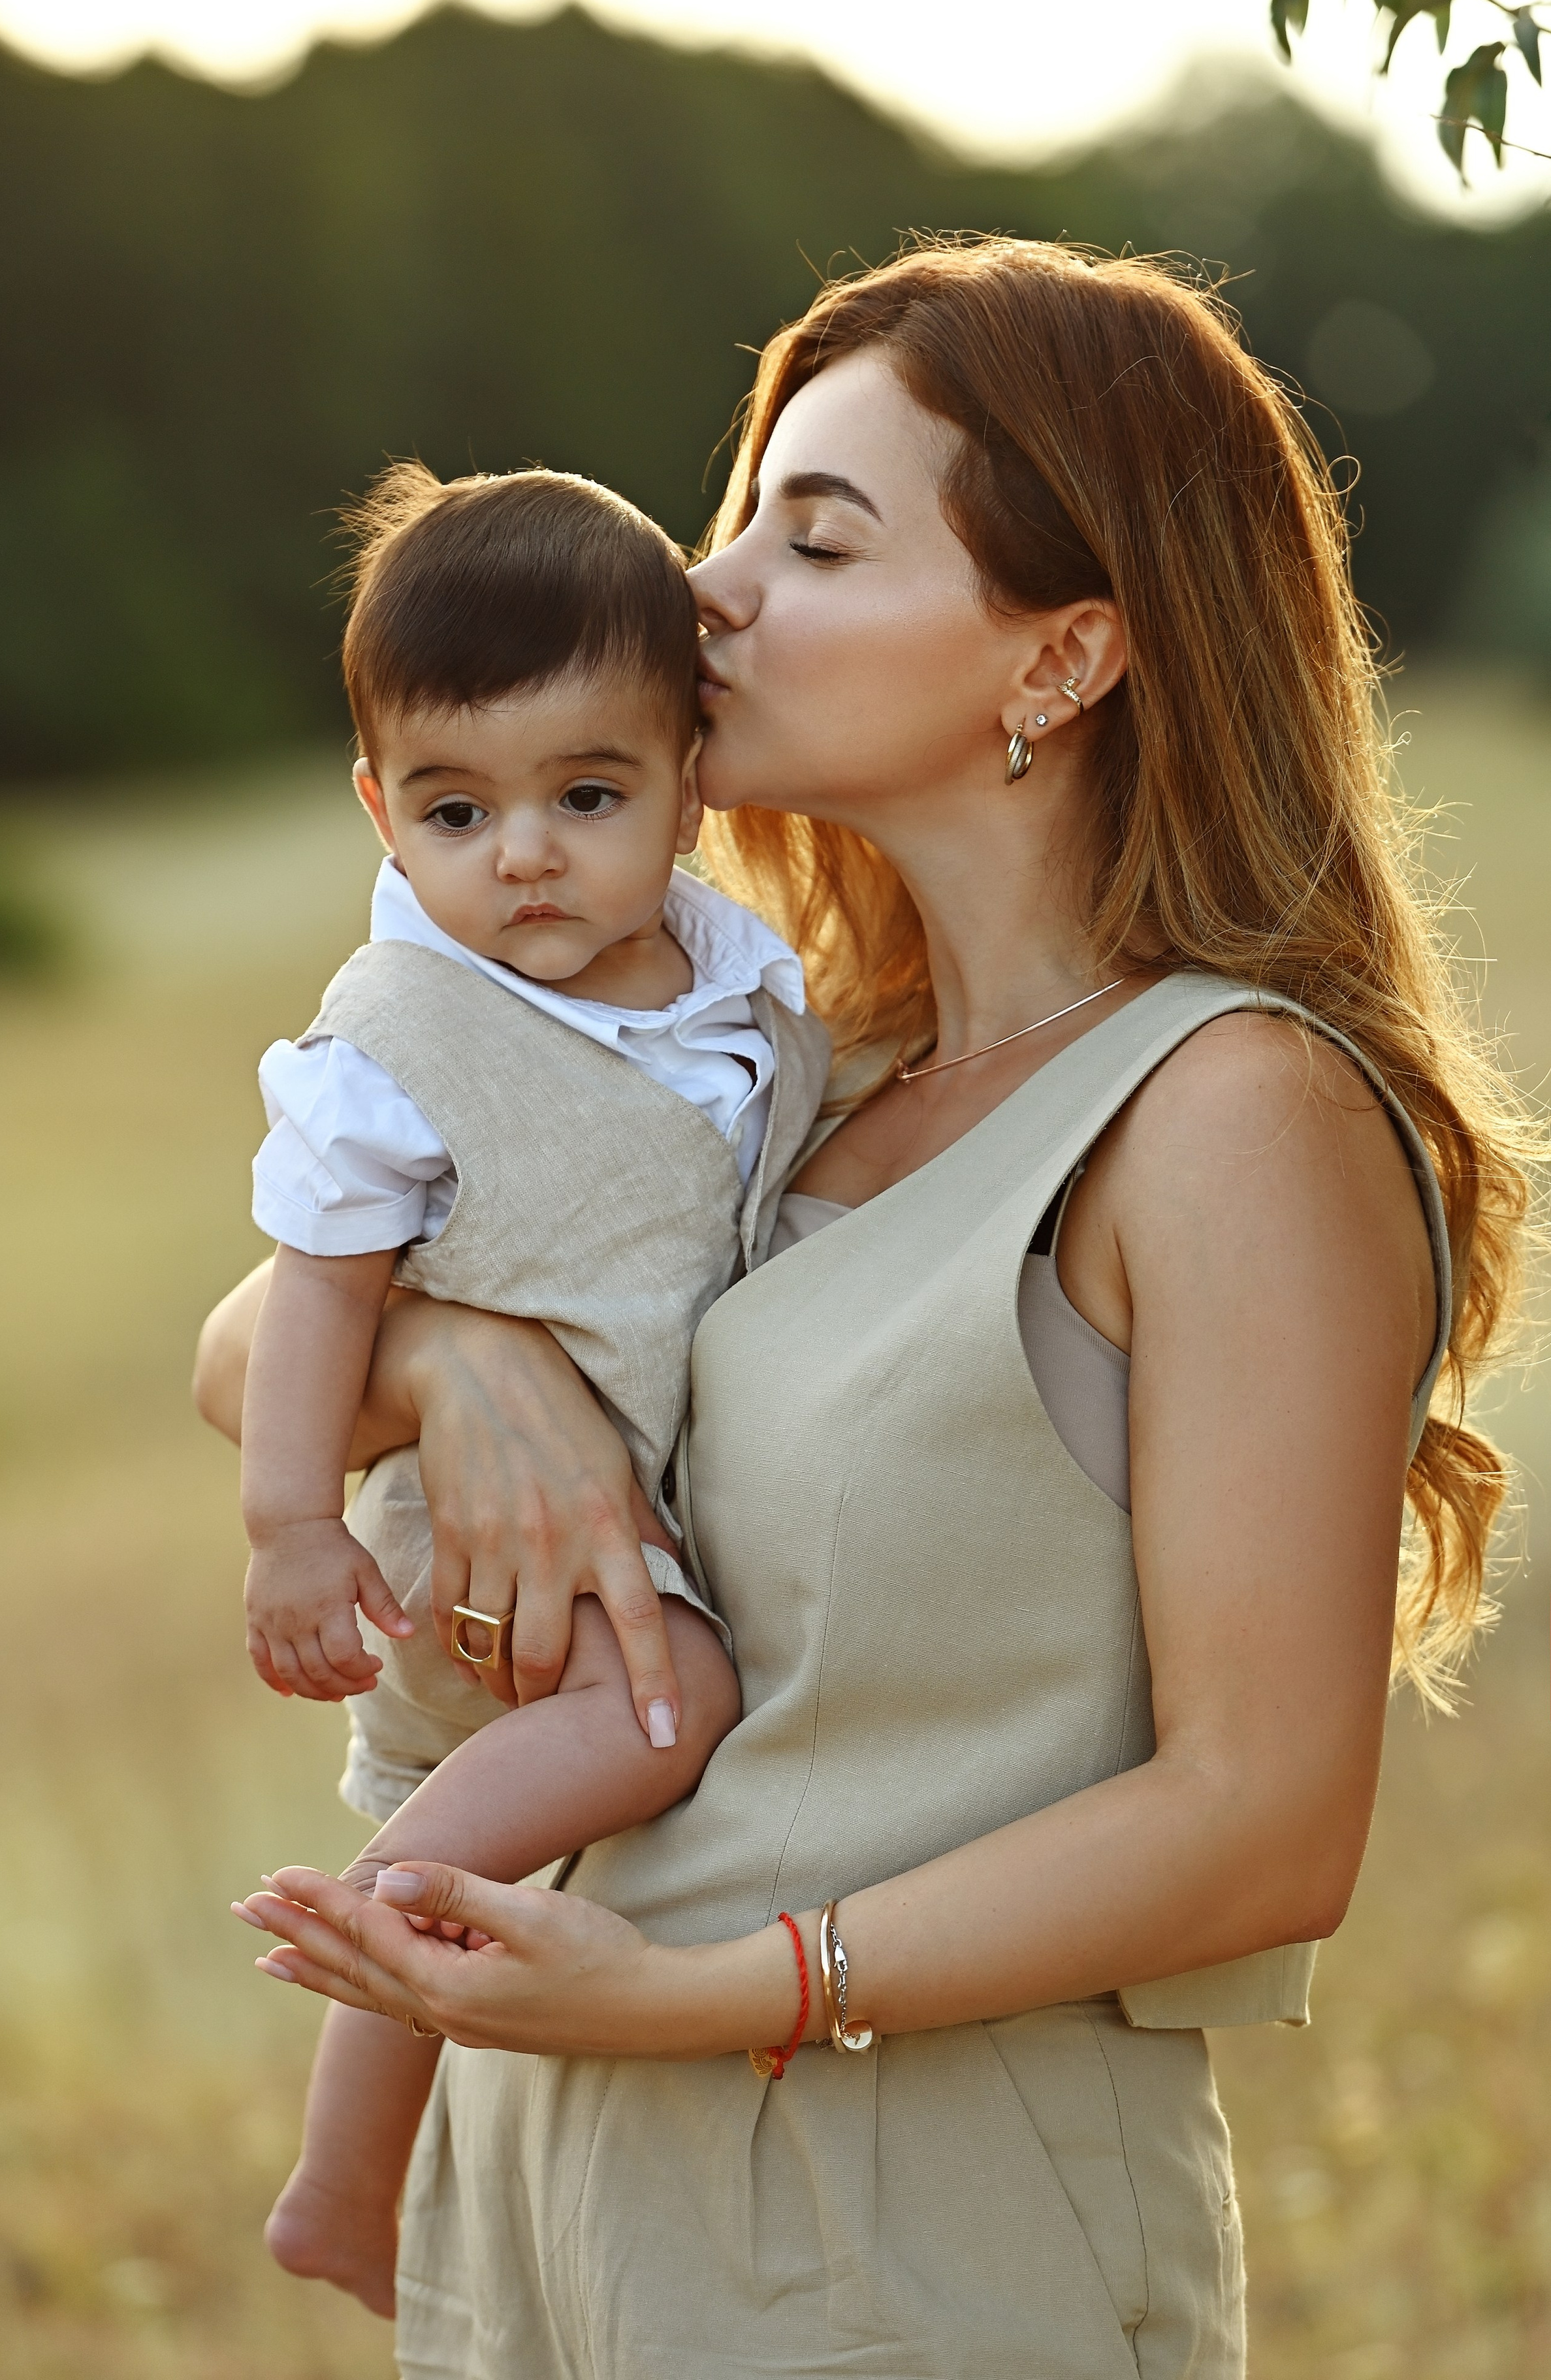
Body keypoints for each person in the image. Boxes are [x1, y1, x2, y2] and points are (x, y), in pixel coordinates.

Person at [211, 236, 1536, 2379]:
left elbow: (1269, 1823)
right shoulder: (800, 1068)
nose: (709, 593)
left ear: (1066, 655)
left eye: (814, 537)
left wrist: (719, 1992)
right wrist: (465, 1359)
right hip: (563, 2202)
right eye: (738, 520)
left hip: (902, 2227)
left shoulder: (1228, 1110)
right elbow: (249, 1338)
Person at [221, 462, 829, 2313]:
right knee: (674, 1710)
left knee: (619, 1761)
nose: (528, 859)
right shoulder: (390, 1047)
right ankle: (353, 2060)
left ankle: (367, 2165)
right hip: (483, 1538)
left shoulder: (732, 985)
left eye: (588, 795)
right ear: (380, 815)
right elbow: (314, 1306)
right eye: (458, 810)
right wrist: (290, 1531)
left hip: (627, 1504)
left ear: (688, 779)